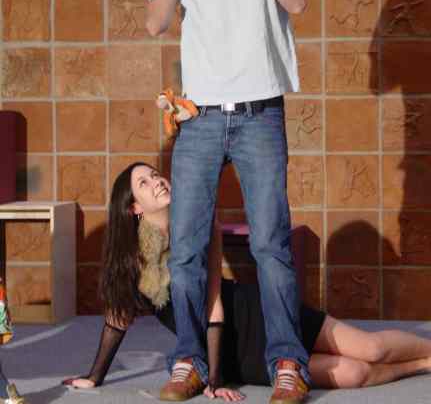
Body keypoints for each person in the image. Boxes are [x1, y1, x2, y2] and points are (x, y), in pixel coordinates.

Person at [145, 0, 309, 404]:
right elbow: (153, 23)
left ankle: (287, 364)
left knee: (271, 244)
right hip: (200, 117)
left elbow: (297, 1)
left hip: (260, 111)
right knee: (187, 247)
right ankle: (188, 362)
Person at [64, 162, 431, 402]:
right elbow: (116, 322)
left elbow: (213, 303)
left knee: (371, 349)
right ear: (134, 207)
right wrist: (94, 377)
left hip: (258, 313)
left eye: (156, 174)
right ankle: (421, 365)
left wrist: (213, 379)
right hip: (239, 353)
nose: (157, 181)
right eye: (143, 183)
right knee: (354, 373)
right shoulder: (131, 263)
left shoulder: (200, 223)